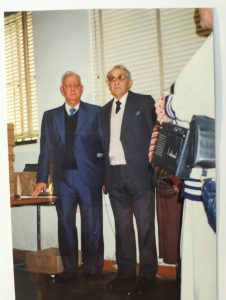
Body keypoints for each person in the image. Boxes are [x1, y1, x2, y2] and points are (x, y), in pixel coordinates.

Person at [154, 8, 216, 300]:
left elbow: (196, 97)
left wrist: (168, 106)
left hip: (210, 177)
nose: (197, 9)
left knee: (205, 263)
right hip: (205, 173)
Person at [32, 71, 105, 282]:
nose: (72, 88)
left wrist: (104, 177)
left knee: (92, 225)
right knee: (65, 224)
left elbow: (104, 146)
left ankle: (92, 269)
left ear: (81, 89)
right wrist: (41, 178)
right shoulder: (50, 116)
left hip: (89, 178)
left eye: (76, 85)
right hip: (63, 180)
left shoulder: (95, 113)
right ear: (62, 90)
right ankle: (70, 269)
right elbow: (45, 150)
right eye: (68, 85)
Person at [102, 65, 157, 295]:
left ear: (129, 82)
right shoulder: (103, 111)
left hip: (140, 175)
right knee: (122, 228)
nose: (116, 81)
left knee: (144, 227)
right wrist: (105, 177)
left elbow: (158, 132)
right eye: (112, 78)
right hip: (115, 176)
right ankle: (125, 274)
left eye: (121, 77)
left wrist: (156, 167)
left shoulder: (144, 102)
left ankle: (146, 276)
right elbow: (103, 145)